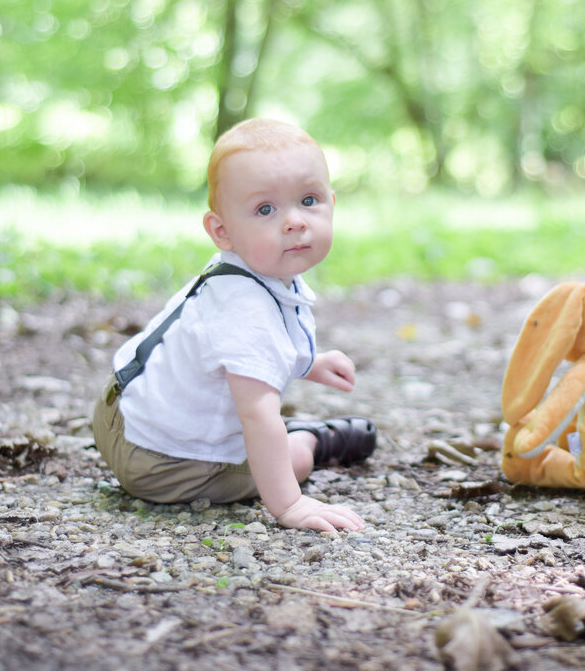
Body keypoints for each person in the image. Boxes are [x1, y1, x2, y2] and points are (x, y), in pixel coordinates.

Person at [91, 118, 376, 533]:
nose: (295, 220)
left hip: (122, 409)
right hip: (158, 459)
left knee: (262, 436)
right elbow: (259, 415)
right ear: (222, 231)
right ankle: (312, 439)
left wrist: (307, 360)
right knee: (285, 456)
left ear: (332, 202)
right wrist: (289, 504)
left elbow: (227, 347)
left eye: (309, 200)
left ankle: (276, 441)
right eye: (266, 209)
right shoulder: (246, 310)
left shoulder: (245, 271)